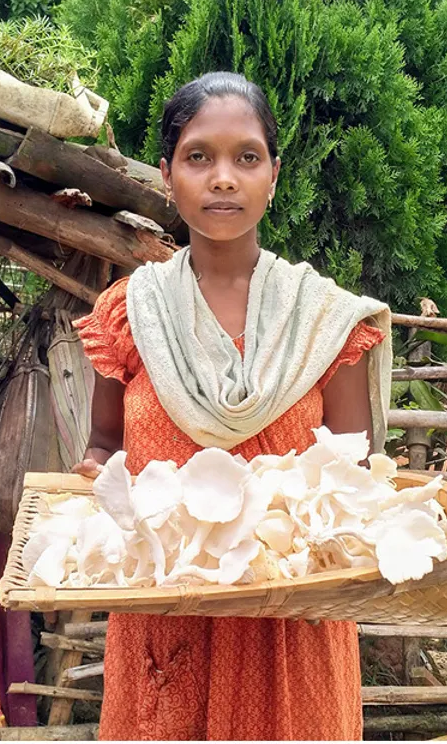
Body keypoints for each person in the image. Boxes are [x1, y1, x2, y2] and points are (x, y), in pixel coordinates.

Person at [71, 72, 391, 741]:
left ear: (273, 175)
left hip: (290, 626)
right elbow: (102, 448)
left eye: (246, 157)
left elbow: (353, 482)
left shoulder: (325, 321)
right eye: (198, 157)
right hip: (168, 614)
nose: (224, 178)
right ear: (166, 175)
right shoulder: (131, 315)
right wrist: (98, 482)